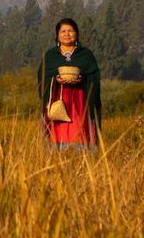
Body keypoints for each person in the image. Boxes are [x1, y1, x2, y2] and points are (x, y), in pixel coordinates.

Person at [37, 18, 102, 149]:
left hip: (80, 102)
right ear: (57, 35)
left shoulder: (86, 55)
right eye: (63, 31)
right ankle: (55, 155)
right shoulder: (51, 56)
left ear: (76, 33)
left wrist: (82, 79)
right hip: (57, 101)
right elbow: (42, 76)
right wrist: (55, 79)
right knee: (57, 133)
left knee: (79, 132)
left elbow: (94, 77)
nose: (67, 34)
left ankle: (82, 157)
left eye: (70, 31)